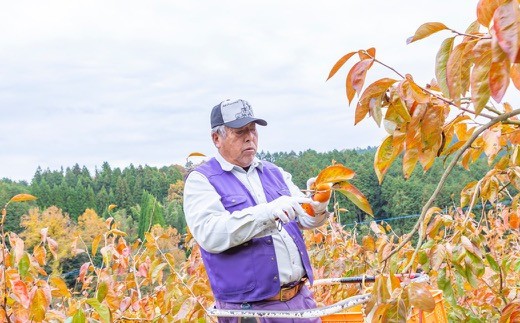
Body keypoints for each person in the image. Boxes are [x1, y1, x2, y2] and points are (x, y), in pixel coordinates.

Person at [183, 98, 330, 323]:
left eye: (252, 130)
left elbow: (306, 219)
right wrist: (267, 212)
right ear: (216, 139)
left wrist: (318, 206)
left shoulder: (274, 172)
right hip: (251, 313)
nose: (249, 137)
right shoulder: (202, 180)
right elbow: (210, 233)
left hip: (300, 301)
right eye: (240, 132)